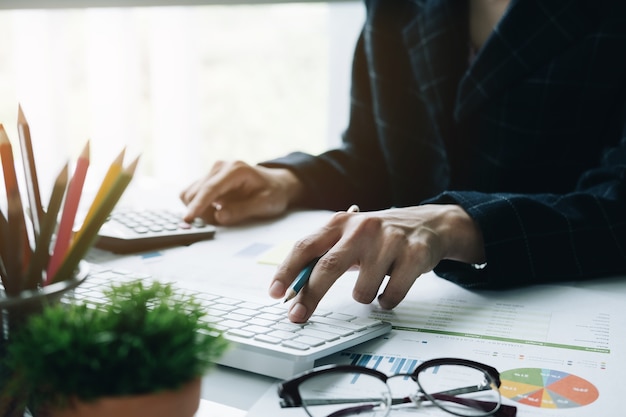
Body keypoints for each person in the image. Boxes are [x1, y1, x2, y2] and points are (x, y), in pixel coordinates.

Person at [180, 0, 626, 323]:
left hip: (566, 309)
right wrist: (290, 180)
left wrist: (459, 224)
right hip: (416, 313)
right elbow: (378, 158)